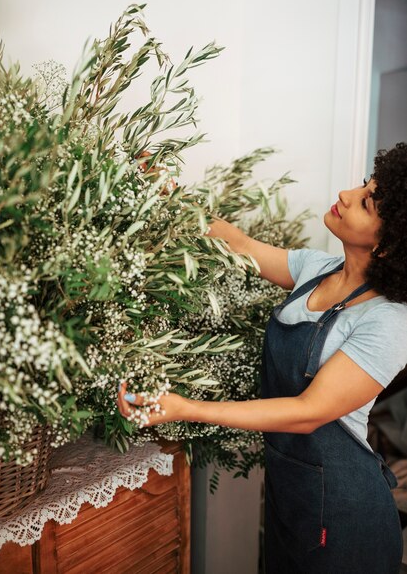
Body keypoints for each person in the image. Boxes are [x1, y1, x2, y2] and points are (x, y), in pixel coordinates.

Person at [117, 143, 407, 573]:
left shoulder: (388, 321)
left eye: (366, 201)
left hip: (348, 517)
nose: (347, 194)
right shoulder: (317, 269)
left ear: (387, 246)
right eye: (364, 184)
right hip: (291, 497)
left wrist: (187, 408)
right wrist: (172, 197)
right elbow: (236, 243)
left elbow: (308, 413)